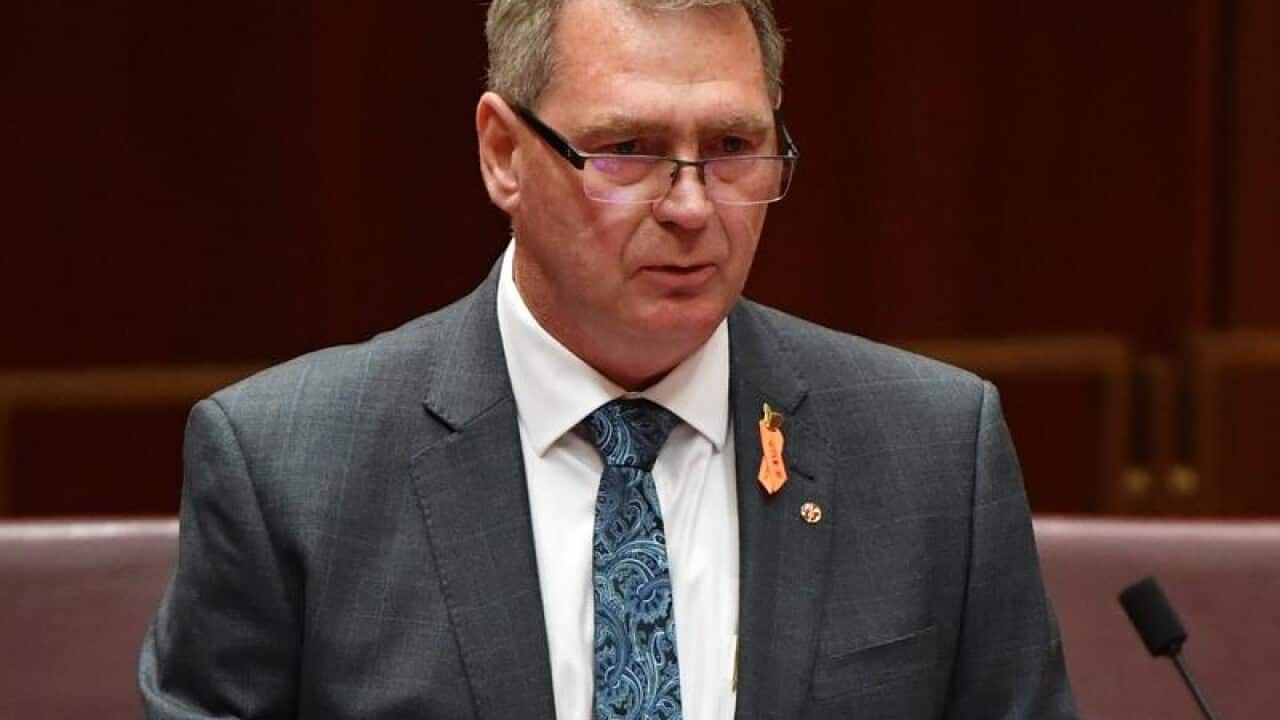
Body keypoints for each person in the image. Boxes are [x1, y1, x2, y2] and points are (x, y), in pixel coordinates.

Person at [140, 0, 1076, 718]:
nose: (691, 206)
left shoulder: (935, 452)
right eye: (629, 151)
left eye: (732, 147)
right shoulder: (289, 467)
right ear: (504, 154)